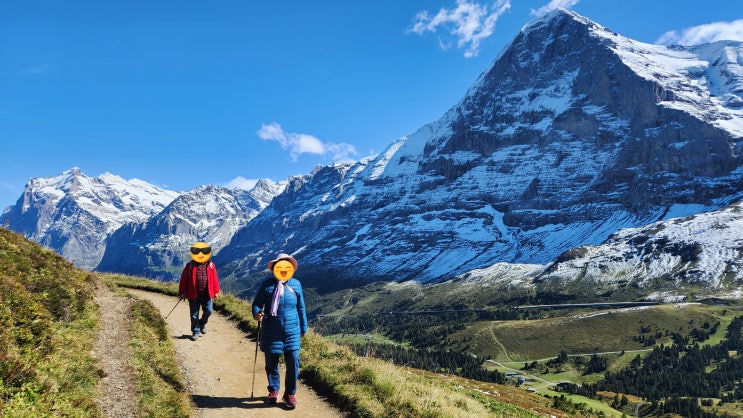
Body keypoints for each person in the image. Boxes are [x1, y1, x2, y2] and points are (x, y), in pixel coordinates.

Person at [252, 253, 308, 409]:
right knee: (271, 363)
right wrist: (256, 313)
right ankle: (274, 390)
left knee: (293, 362)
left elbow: (301, 307)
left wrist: (304, 327)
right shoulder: (267, 285)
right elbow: (257, 304)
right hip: (271, 331)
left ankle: (289, 393)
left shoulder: (296, 285)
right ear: (274, 268)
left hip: (292, 331)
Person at [178, 241, 220, 341]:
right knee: (194, 315)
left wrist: (216, 291)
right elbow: (184, 279)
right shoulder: (190, 265)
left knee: (209, 310)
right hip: (193, 294)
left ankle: (202, 323)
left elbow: (215, 279)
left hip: (207, 294)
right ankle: (195, 332)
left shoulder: (211, 265)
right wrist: (183, 291)